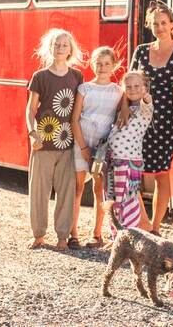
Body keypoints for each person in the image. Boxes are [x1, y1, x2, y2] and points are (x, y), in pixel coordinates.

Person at [129, 0, 173, 235]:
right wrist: (124, 113)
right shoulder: (141, 50)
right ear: (149, 25)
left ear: (172, 24)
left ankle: (155, 226)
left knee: (162, 173)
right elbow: (129, 83)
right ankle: (137, 222)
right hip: (137, 120)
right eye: (155, 23)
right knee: (133, 172)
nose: (160, 27)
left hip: (166, 121)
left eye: (164, 22)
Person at [25, 28, 84, 250]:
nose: (60, 48)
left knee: (67, 192)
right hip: (42, 144)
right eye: (56, 45)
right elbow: (30, 110)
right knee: (39, 191)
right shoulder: (40, 77)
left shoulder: (77, 77)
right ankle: (39, 235)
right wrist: (33, 133)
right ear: (50, 48)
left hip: (67, 144)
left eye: (64, 45)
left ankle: (62, 237)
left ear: (70, 50)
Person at [69, 46, 123, 249]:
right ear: (92, 64)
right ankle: (73, 233)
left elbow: (120, 116)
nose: (102, 67)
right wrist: (82, 146)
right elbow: (75, 119)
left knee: (99, 188)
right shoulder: (85, 88)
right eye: (98, 63)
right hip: (81, 141)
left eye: (107, 64)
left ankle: (96, 233)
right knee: (77, 187)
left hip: (101, 146)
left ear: (114, 66)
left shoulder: (118, 92)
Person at [105, 71, 153, 235]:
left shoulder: (145, 108)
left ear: (145, 87)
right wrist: (124, 104)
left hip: (129, 161)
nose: (133, 89)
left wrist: (144, 95)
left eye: (137, 86)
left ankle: (129, 236)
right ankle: (116, 236)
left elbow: (147, 100)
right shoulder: (123, 109)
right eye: (129, 87)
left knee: (128, 200)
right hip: (113, 161)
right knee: (113, 199)